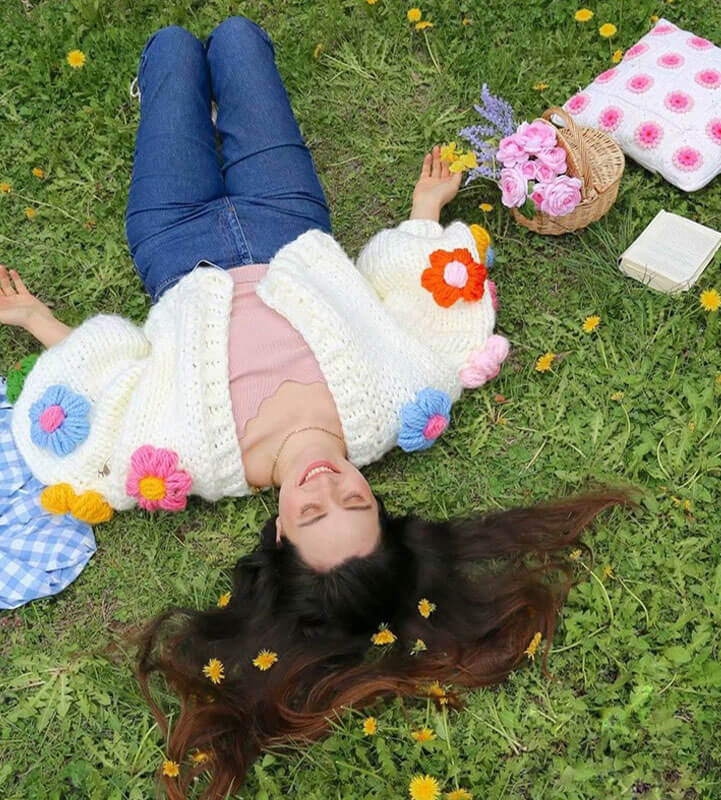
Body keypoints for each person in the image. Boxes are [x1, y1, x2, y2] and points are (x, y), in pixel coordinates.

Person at [0, 16, 633, 799]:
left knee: (168, 46)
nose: (329, 481)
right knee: (236, 37)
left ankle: (172, 105)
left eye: (310, 510)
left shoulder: (189, 461)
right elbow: (423, 315)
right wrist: (425, 213)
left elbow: (112, 388)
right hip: (284, 214)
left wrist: (36, 323)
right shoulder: (394, 408)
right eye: (355, 498)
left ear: (277, 533)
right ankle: (200, 108)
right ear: (379, 501)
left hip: (172, 242)